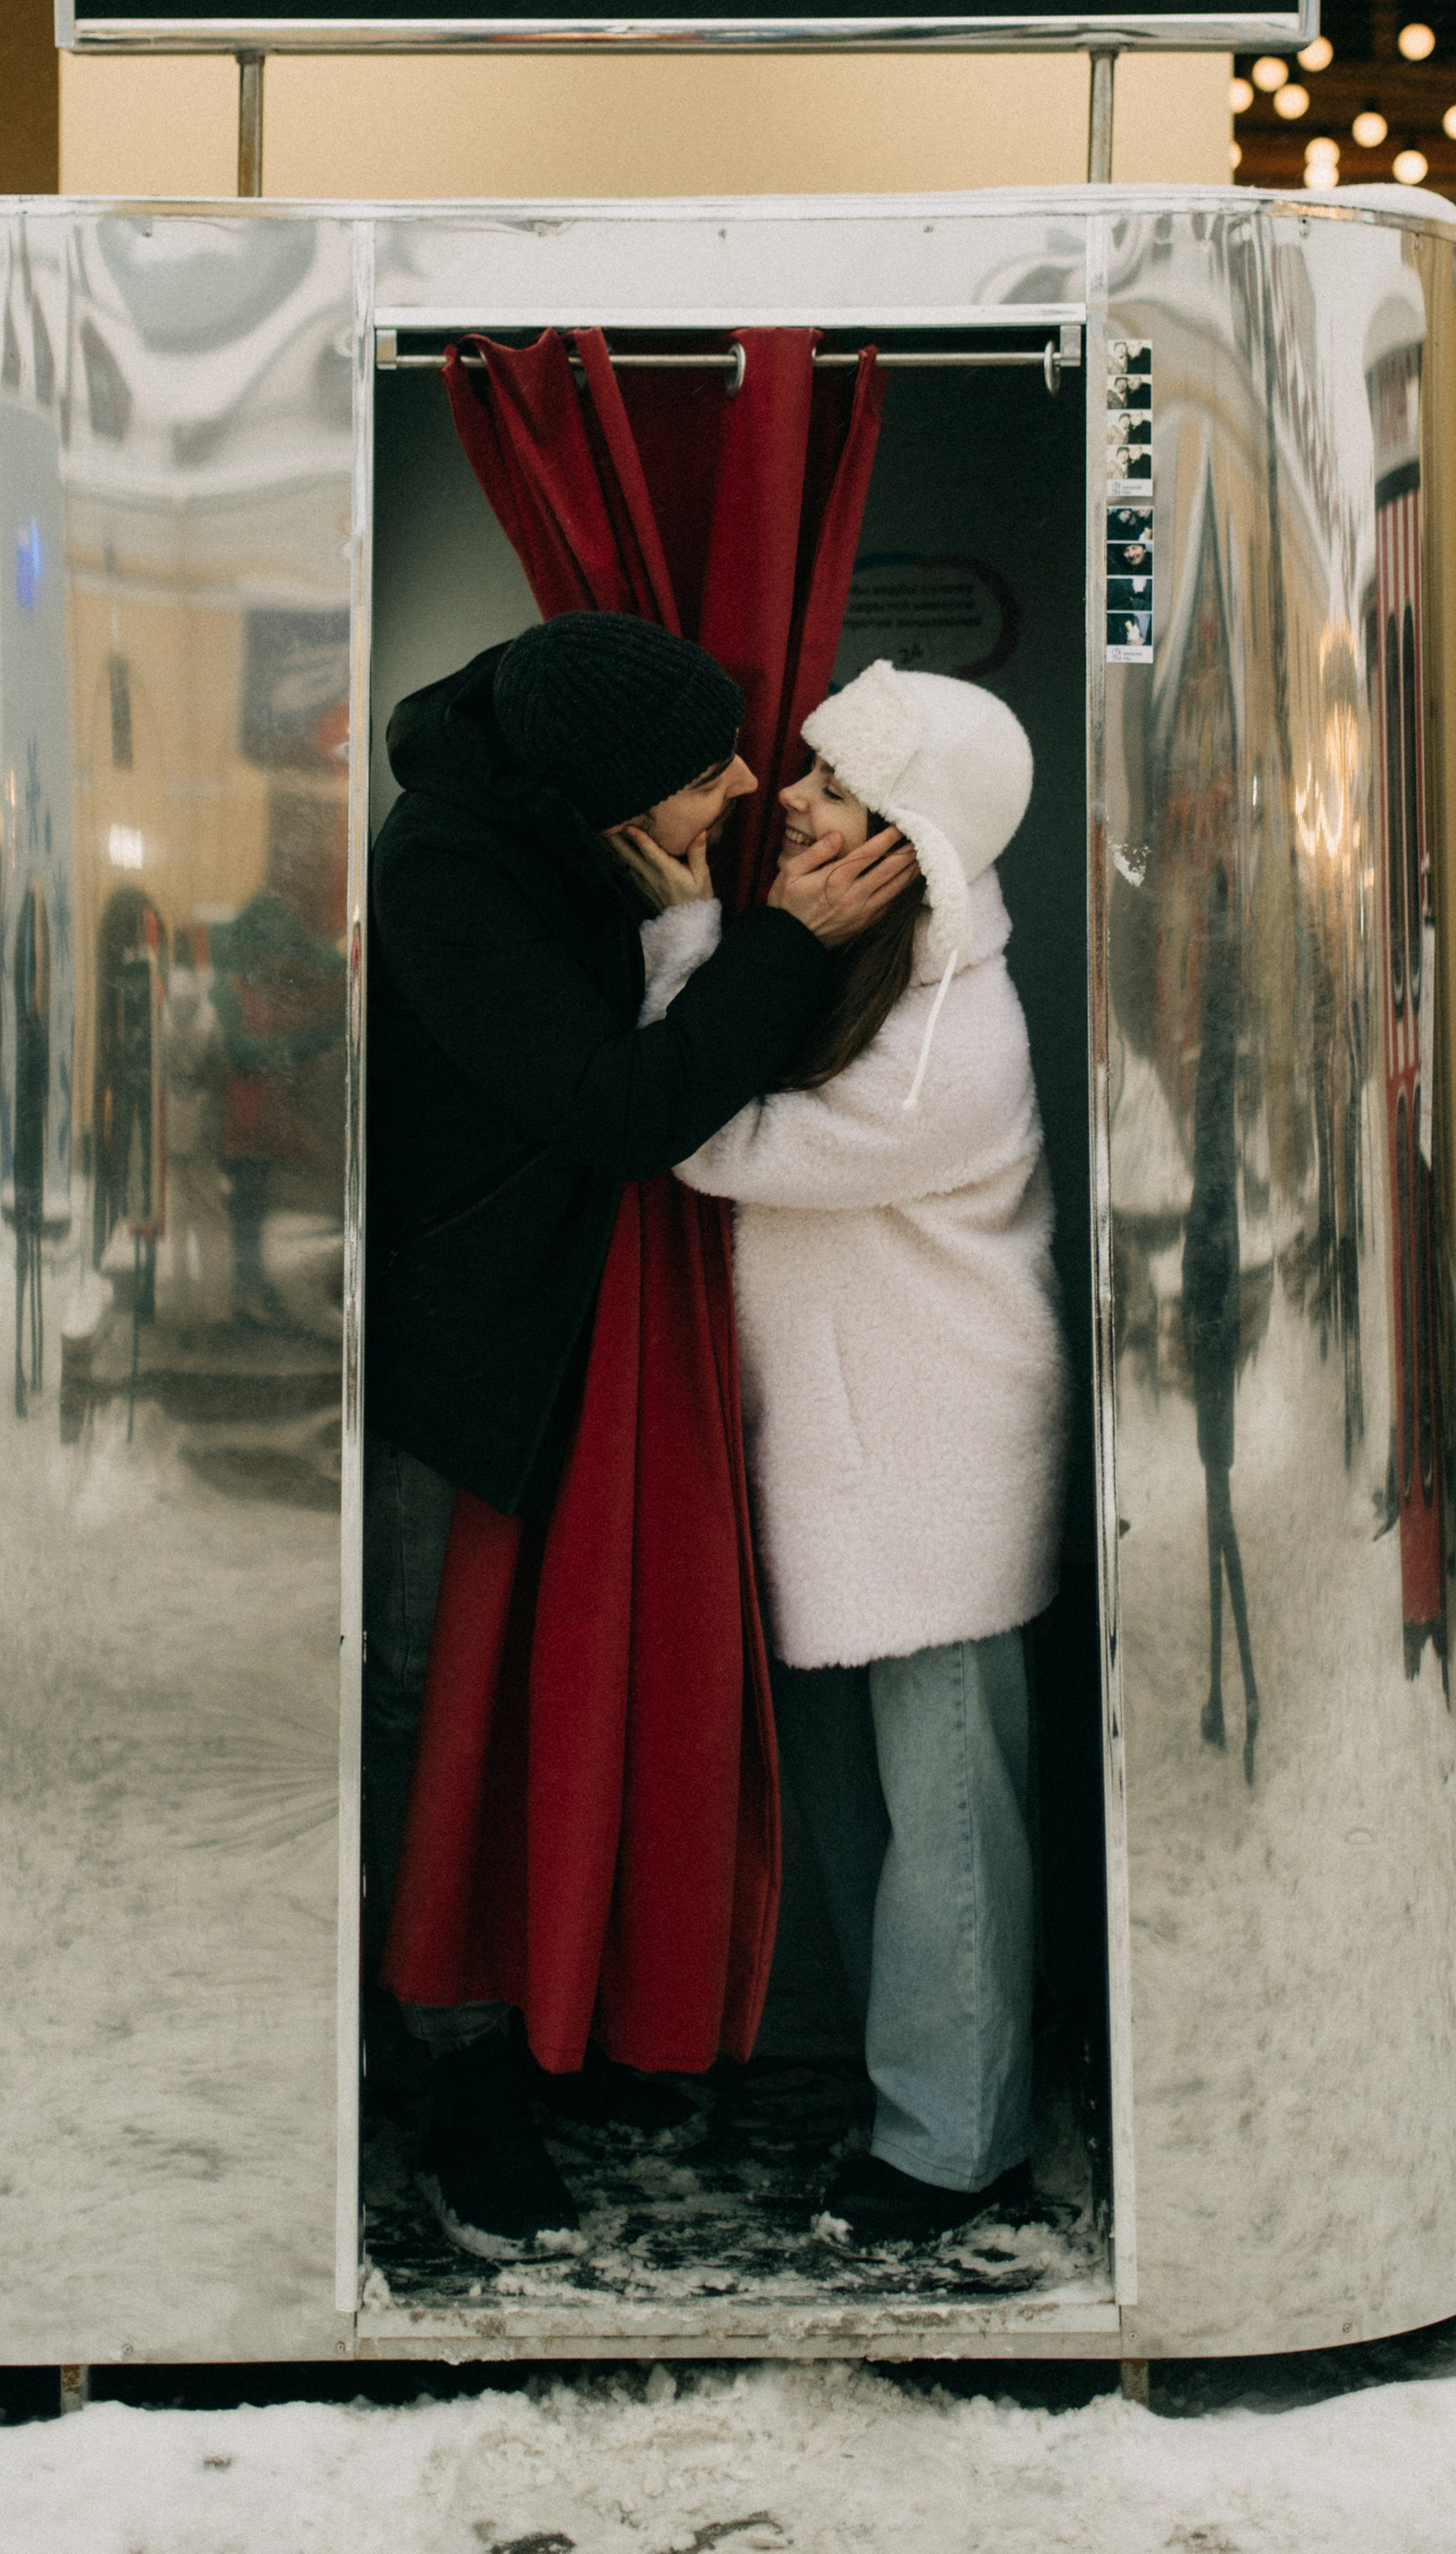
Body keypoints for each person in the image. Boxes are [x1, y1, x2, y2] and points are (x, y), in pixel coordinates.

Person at [366, 608, 920, 2259]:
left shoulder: (565, 814)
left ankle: (551, 2027)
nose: (754, 787)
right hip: (470, 1347)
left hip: (576, 1334)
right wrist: (786, 946)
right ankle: (455, 2071)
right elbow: (619, 1110)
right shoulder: (450, 874)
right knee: (434, 1700)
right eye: (706, 773)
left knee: (552, 1687)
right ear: (609, 798)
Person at [646, 659, 1070, 2248]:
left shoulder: (955, 1043)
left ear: (910, 845)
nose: (792, 803)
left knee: (948, 1825)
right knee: (870, 1812)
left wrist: (695, 931)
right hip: (860, 1468)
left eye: (833, 789)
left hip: (929, 1479)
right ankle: (915, 2102)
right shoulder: (880, 986)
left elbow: (702, 1134)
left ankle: (954, 2145)